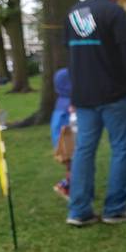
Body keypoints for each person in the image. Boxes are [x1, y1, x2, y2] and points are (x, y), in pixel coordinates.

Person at [64, 0, 126, 227]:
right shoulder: (114, 13)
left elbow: (71, 55)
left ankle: (79, 210)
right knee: (121, 148)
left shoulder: (75, 12)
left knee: (84, 150)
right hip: (113, 92)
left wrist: (74, 90)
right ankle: (115, 208)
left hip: (83, 93)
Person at [51, 67, 73, 199]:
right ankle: (65, 186)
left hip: (61, 139)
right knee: (74, 164)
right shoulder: (69, 105)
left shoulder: (60, 102)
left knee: (72, 165)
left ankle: (70, 186)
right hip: (66, 139)